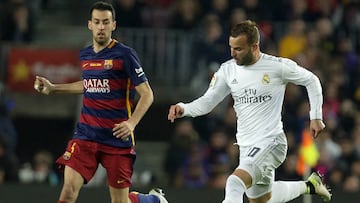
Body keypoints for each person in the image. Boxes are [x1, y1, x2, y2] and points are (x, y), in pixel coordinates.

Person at [168, 20, 332, 203]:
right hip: (247, 147)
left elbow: (312, 80)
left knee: (234, 183)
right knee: (262, 199)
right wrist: (185, 108)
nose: (233, 53)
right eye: (231, 47)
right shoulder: (228, 70)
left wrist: (316, 116)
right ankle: (309, 185)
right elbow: (208, 101)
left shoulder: (276, 66)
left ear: (254, 47)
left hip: (272, 142)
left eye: (238, 49)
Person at [33, 2, 167, 203]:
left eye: (105, 22)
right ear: (90, 25)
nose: (101, 27)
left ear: (113, 25)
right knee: (68, 191)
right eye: (97, 22)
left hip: (116, 138)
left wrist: (131, 123)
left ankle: (153, 200)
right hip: (86, 136)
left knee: (120, 202)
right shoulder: (85, 54)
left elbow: (147, 94)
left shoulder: (125, 55)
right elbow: (89, 84)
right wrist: (54, 88)